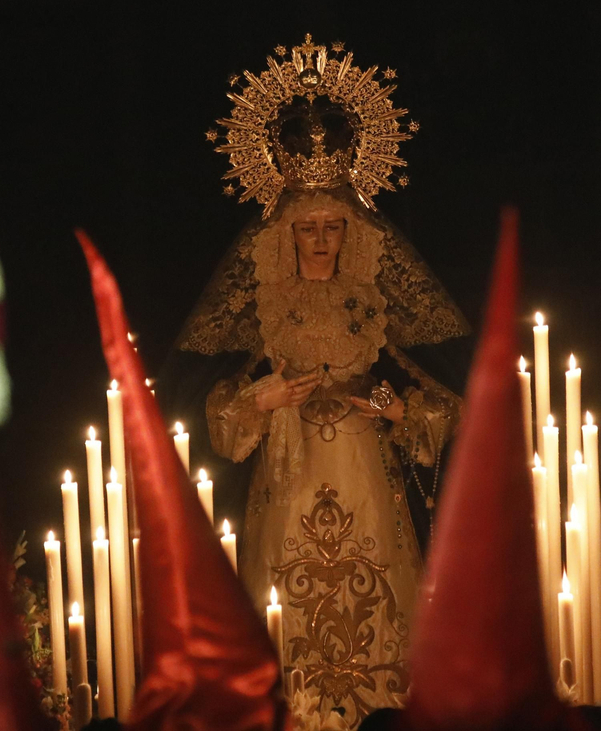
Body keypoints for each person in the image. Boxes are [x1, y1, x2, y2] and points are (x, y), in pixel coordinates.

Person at [175, 36, 469, 725]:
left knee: (377, 613)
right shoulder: (267, 304)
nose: (320, 239)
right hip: (289, 478)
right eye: (307, 227)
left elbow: (443, 400)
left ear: (350, 230)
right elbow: (214, 411)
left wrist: (397, 412)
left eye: (333, 225)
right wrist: (263, 398)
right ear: (286, 234)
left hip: (367, 475)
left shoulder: (371, 301)